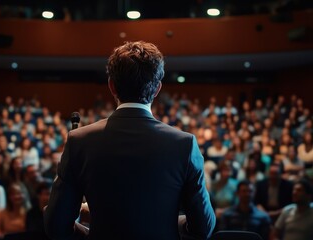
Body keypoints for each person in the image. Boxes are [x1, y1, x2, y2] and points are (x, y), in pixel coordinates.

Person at [44, 41, 215, 240]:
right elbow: (203, 227)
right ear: (158, 88)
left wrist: (95, 229)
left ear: (112, 86)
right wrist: (164, 220)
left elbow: (56, 226)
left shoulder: (79, 140)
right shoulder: (184, 144)